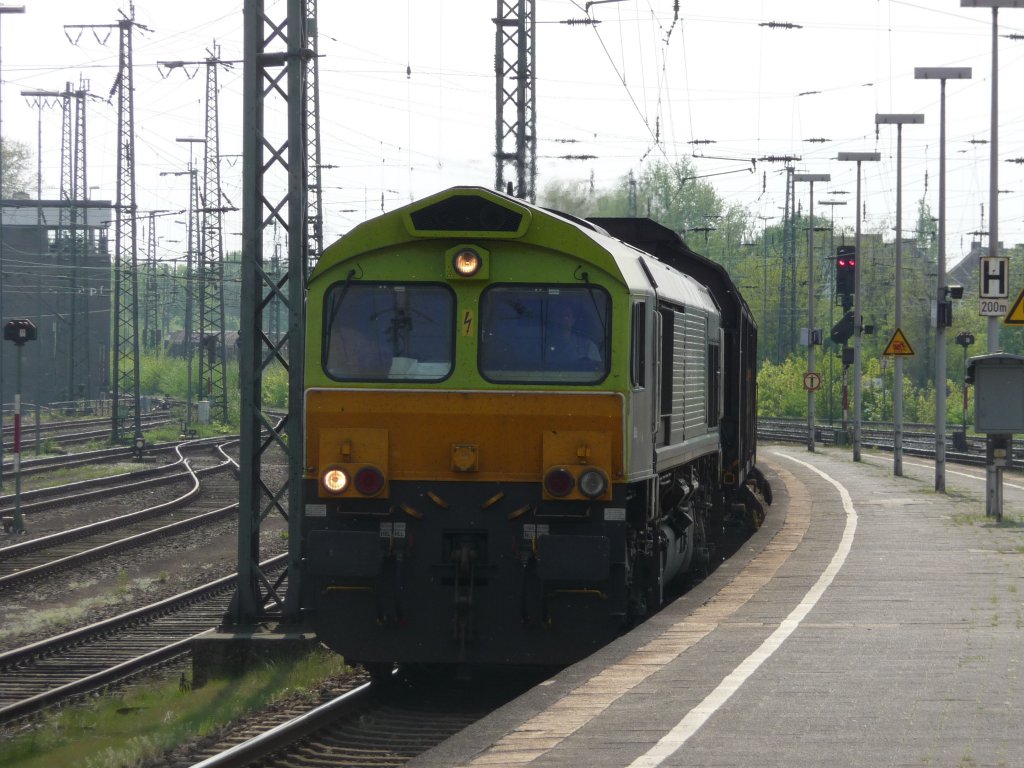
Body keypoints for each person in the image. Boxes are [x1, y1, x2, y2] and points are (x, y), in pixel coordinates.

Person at [545, 301, 601, 367]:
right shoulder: (540, 347)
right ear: (552, 319)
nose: (562, 319)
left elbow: (596, 371)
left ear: (573, 320)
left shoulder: (588, 347)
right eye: (558, 316)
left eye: (566, 316)